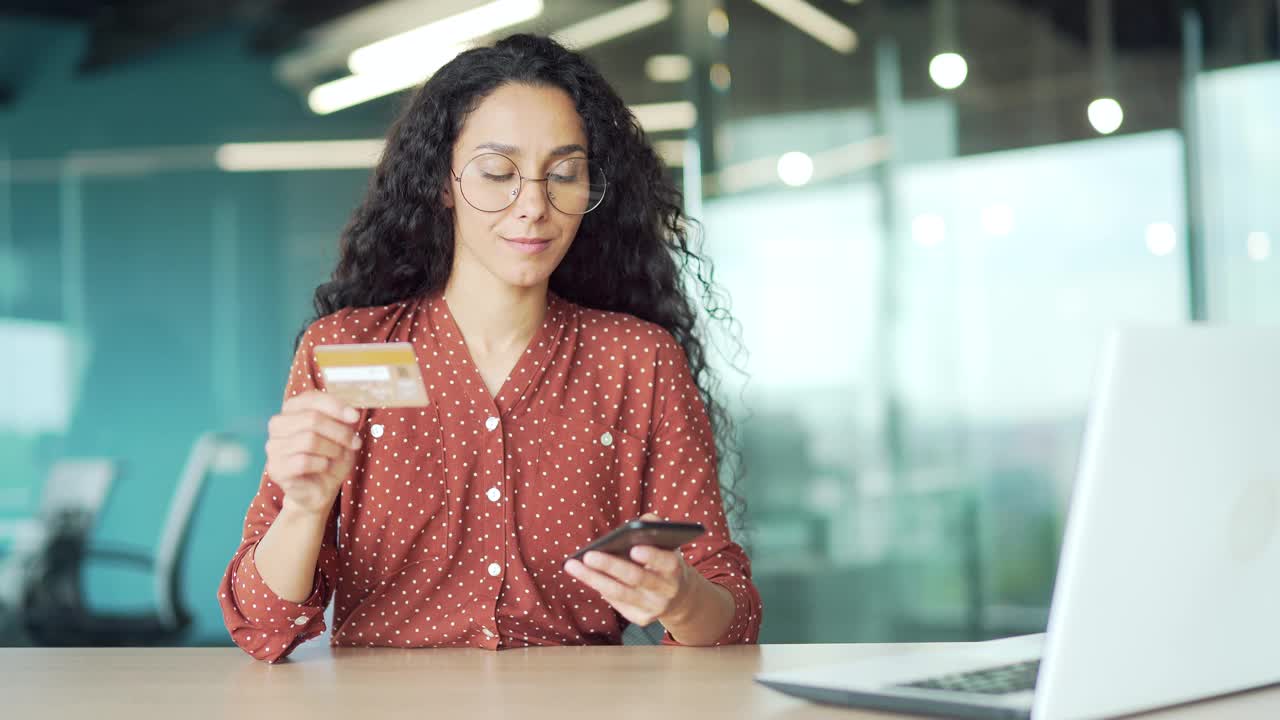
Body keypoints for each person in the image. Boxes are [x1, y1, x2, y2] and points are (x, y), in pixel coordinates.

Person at [217, 34, 761, 663]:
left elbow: (732, 618)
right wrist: (306, 510)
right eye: (498, 173)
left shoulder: (638, 361)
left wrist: (681, 596)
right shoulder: (348, 350)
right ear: (442, 184)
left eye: (564, 174)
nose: (533, 205)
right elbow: (263, 628)